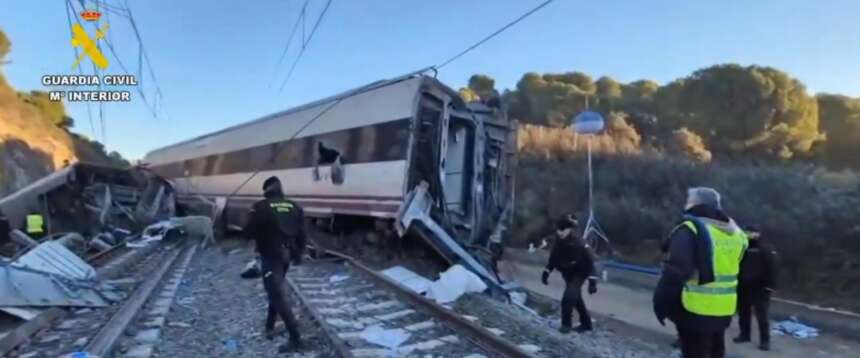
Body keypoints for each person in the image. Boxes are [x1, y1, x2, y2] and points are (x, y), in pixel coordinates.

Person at [653, 187, 748, 358]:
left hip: (695, 308)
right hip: (725, 308)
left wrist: (660, 302)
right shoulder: (736, 233)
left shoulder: (691, 228)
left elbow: (676, 272)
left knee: (695, 352)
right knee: (716, 350)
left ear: (695, 204)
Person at [243, 176, 306, 353]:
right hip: (287, 256)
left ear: (266, 191)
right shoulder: (294, 206)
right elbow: (302, 234)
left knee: (276, 294)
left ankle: (296, 339)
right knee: (275, 289)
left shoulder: (261, 207)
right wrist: (299, 255)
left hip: (271, 256)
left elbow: (248, 232)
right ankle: (270, 326)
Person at [541, 213, 598, 333]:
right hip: (568, 273)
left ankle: (566, 325)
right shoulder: (558, 243)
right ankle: (586, 324)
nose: (559, 232)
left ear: (569, 229)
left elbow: (591, 261)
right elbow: (553, 259)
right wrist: (546, 272)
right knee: (576, 299)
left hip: (580, 272)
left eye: (562, 229)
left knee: (568, 298)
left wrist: (593, 282)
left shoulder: (579, 243)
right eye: (558, 229)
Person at [733, 225, 777, 351]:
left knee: (762, 315)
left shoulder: (765, 247)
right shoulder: (743, 247)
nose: (747, 234)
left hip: (760, 287)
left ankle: (765, 341)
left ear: (757, 233)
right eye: (746, 232)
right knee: (743, 313)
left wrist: (771, 285)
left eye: (750, 232)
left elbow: (773, 268)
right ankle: (744, 335)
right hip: (743, 285)